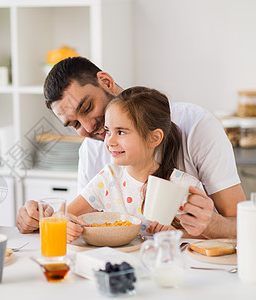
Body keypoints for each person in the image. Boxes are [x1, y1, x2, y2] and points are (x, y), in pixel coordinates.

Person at [16, 56, 245, 239]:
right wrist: (38, 220)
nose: (89, 128)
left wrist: (209, 225)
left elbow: (242, 224)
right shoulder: (92, 153)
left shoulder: (196, 126)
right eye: (74, 124)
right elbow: (75, 220)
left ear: (106, 82)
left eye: (87, 107)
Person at [64, 86, 204, 242]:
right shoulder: (108, 179)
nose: (109, 141)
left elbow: (209, 235)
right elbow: (62, 215)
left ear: (154, 138)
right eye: (108, 131)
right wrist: (65, 225)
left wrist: (178, 233)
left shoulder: (185, 187)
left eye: (121, 132)